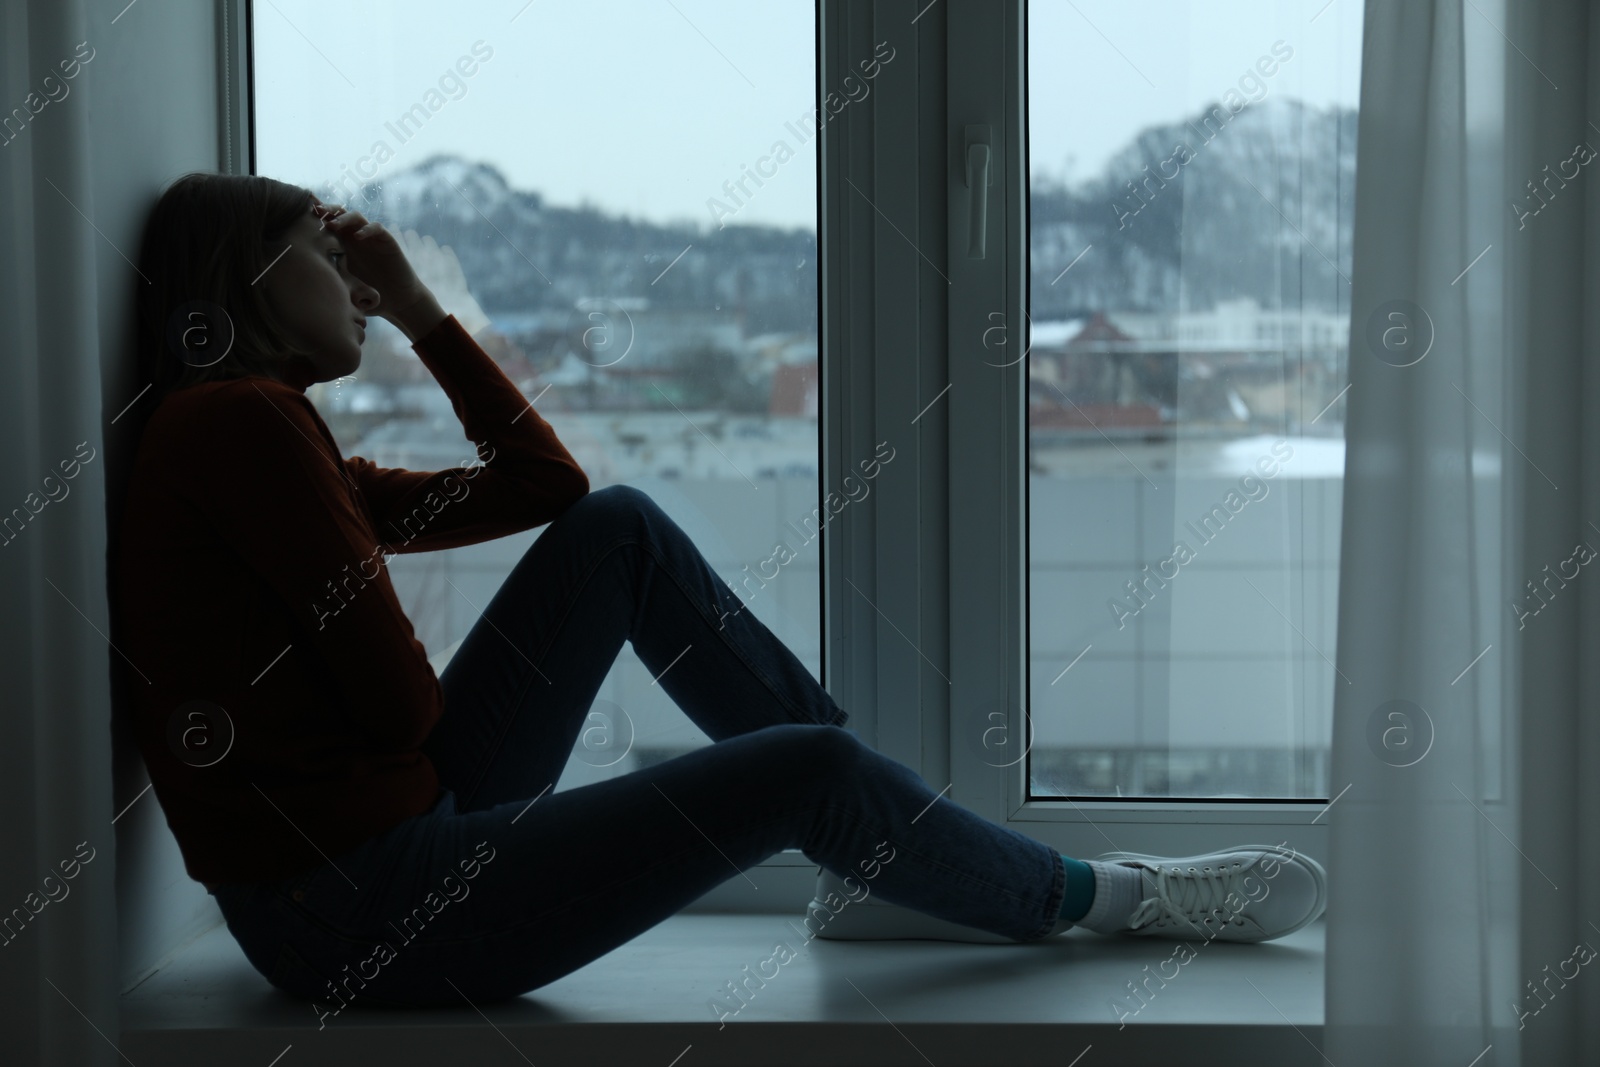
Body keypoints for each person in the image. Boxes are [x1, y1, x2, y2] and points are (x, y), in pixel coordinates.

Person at [108, 172, 1327, 1015]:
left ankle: (883, 846)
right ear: (258, 282)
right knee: (803, 771)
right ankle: (1114, 900)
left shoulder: (253, 430)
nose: (363, 289)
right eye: (334, 262)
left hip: (361, 863)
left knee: (617, 530)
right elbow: (400, 711)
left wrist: (427, 308)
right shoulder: (244, 426)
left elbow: (547, 483)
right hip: (364, 907)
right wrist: (377, 620)